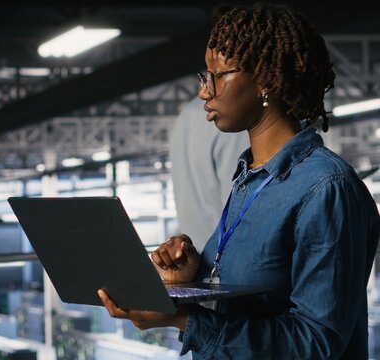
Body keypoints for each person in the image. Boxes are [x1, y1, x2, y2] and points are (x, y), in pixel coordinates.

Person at [98, 3, 380, 359]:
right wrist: (192, 276)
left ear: (263, 79)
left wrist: (185, 319)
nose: (205, 91)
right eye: (205, 76)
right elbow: (251, 298)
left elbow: (316, 343)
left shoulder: (325, 189)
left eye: (218, 75)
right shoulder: (249, 178)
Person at [170, 97, 249, 251]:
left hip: (196, 255)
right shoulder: (230, 118)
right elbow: (240, 205)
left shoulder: (187, 114)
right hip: (227, 255)